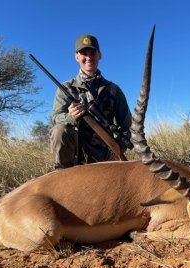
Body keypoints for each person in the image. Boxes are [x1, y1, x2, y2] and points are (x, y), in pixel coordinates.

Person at [50, 34, 132, 168]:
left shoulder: (114, 90)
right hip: (78, 152)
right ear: (76, 57)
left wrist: (118, 148)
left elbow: (126, 126)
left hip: (107, 153)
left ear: (99, 55)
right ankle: (63, 174)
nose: (88, 57)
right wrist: (71, 117)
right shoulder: (65, 88)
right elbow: (55, 119)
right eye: (83, 53)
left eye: (92, 52)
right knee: (59, 130)